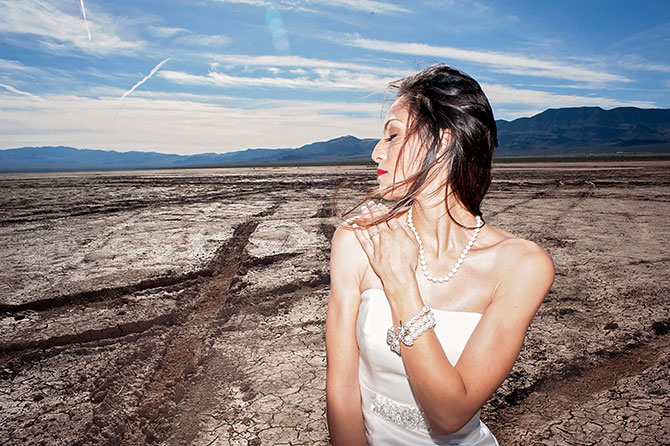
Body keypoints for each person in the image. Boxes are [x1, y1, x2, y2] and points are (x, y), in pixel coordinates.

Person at [325, 64, 554, 445]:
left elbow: (450, 414)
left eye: (393, 135)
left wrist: (400, 283)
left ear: (444, 141)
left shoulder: (522, 266)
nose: (376, 152)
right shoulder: (358, 239)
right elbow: (341, 390)